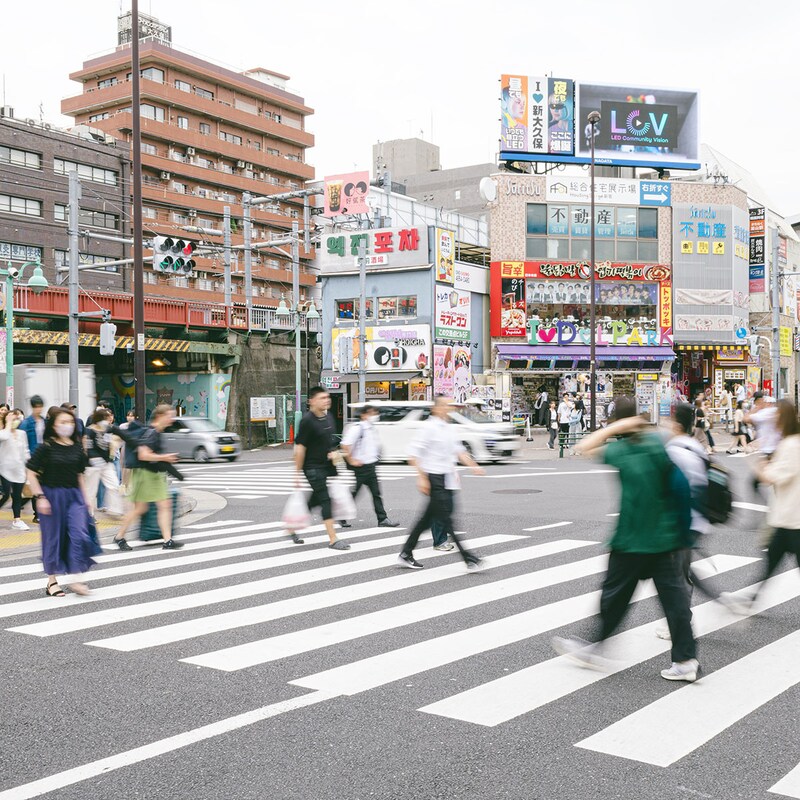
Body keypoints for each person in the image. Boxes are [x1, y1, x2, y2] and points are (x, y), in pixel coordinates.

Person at [552, 397, 699, 683]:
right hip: (664, 538)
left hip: (631, 539)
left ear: (616, 420)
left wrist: (617, 426)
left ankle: (593, 648)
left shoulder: (620, 450)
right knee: (674, 602)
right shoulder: (657, 442)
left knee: (614, 599)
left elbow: (582, 447)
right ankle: (685, 660)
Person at [398, 395, 485, 571]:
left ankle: (406, 553)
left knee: (427, 520)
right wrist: (422, 477)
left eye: (449, 405)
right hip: (434, 478)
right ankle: (468, 557)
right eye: (445, 405)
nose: (449, 408)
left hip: (446, 479)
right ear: (436, 408)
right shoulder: (429, 428)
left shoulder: (448, 428)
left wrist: (474, 466)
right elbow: (412, 454)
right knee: (447, 519)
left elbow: (460, 452)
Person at [26, 406, 99, 597]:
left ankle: (76, 579)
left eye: (70, 422)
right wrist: (40, 497)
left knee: (79, 534)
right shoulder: (46, 447)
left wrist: (87, 499)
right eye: (63, 422)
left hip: (74, 496)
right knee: (53, 538)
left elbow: (79, 475)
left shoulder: (76, 447)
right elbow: (31, 473)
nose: (67, 426)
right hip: (51, 496)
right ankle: (52, 581)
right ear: (54, 425)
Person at [736, 402, 800, 609]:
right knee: (771, 560)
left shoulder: (791, 445)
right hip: (787, 519)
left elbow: (772, 478)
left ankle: (751, 598)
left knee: (771, 561)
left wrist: (760, 466)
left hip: (792, 520)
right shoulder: (792, 442)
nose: (774, 422)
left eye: (777, 417)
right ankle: (752, 598)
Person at [112, 404, 183, 551]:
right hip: (146, 475)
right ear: (160, 416)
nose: (171, 420)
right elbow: (143, 455)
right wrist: (166, 458)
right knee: (143, 508)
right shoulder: (152, 433)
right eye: (169, 416)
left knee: (160, 506)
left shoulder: (154, 432)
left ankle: (167, 540)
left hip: (151, 475)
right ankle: (119, 536)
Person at [294, 387, 350, 550]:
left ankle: (292, 527)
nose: (326, 400)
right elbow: (300, 448)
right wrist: (296, 474)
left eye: (327, 397)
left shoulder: (328, 418)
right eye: (322, 398)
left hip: (326, 466)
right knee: (326, 500)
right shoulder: (307, 420)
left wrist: (337, 458)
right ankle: (333, 539)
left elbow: (331, 444)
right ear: (311, 401)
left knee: (315, 500)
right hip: (312, 467)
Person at [341, 405, 397, 528]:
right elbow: (345, 445)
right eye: (372, 413)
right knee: (356, 493)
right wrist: (351, 460)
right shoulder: (358, 429)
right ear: (364, 415)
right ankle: (342, 515)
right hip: (361, 467)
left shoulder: (371, 429)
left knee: (376, 493)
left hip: (371, 466)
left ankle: (382, 519)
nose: (375, 416)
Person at [83, 408, 124, 518]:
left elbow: (120, 436)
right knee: (90, 491)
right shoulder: (89, 430)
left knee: (114, 485)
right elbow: (88, 448)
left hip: (107, 463)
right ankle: (88, 514)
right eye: (105, 418)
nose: (107, 420)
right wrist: (95, 459)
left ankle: (115, 509)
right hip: (92, 465)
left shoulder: (108, 429)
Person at [0, 408, 31, 530]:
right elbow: (4, 436)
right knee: (6, 494)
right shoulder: (3, 432)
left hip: (19, 469)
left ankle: (17, 520)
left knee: (17, 495)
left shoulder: (21, 434)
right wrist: (7, 423)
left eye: (17, 418)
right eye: (13, 418)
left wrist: (28, 467)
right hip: (4, 469)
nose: (15, 420)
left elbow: (25, 451)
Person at [19, 395, 46, 523]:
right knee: (34, 485)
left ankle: (23, 503)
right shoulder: (26, 423)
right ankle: (37, 514)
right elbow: (22, 442)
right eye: (36, 407)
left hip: (44, 458)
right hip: (32, 458)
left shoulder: (44, 421)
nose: (39, 409)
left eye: (40, 406)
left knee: (40, 485)